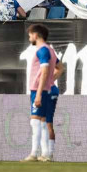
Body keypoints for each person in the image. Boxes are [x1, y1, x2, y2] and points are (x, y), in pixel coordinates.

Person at [24, 24, 59, 162]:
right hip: (47, 88)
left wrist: (38, 93)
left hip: (40, 89)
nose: (29, 37)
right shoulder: (50, 50)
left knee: (35, 121)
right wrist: (51, 80)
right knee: (44, 122)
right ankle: (45, 154)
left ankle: (34, 153)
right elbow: (60, 68)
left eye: (30, 34)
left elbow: (44, 71)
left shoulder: (42, 50)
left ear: (36, 35)